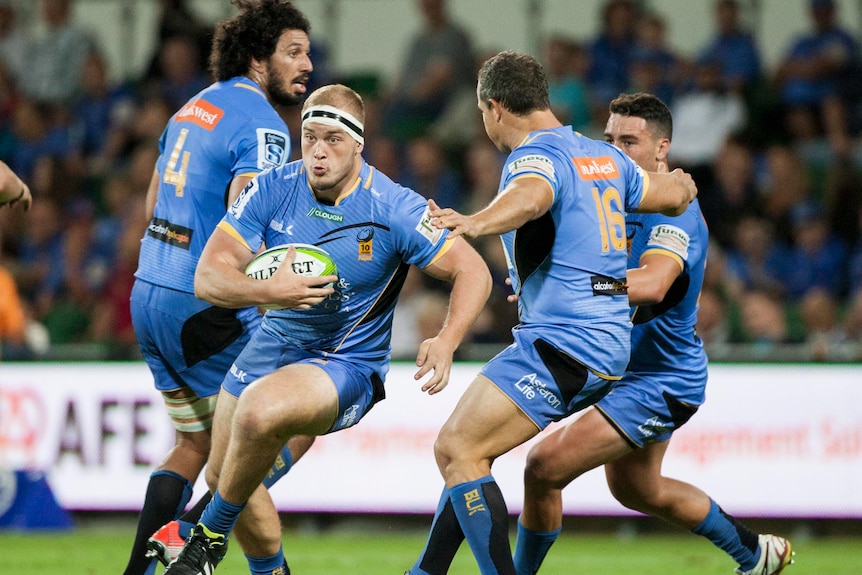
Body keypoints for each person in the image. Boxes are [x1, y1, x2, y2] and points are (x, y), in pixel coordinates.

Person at [162, 82, 492, 575]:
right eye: (309, 137)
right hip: (271, 347)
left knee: (256, 413)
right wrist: (270, 292)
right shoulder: (272, 187)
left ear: (359, 142)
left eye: (332, 140)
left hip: (344, 363)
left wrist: (447, 338)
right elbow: (209, 276)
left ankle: (205, 542)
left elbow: (474, 270)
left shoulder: (393, 208)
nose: (318, 151)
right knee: (225, 474)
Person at [405, 51, 697, 575]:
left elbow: (531, 196)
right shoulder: (604, 158)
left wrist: (476, 221)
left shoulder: (532, 156)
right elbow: (670, 193)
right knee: (465, 451)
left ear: (495, 107)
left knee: (457, 447)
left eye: (482, 115)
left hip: (566, 343)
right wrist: (684, 187)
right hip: (599, 343)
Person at [511, 93, 794, 575]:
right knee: (638, 488)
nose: (616, 152)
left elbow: (651, 283)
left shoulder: (675, 209)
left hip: (660, 380)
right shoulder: (604, 199)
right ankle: (757, 553)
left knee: (543, 468)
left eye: (630, 141)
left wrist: (574, 288)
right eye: (609, 140)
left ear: (661, 149)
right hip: (617, 367)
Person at [124, 2, 318, 575]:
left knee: (195, 445)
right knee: (298, 419)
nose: (307, 65)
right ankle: (191, 535)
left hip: (148, 293)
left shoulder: (189, 109)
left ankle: (140, 569)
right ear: (258, 59)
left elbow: (149, 204)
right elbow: (247, 221)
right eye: (294, 52)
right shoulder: (262, 124)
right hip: (201, 304)